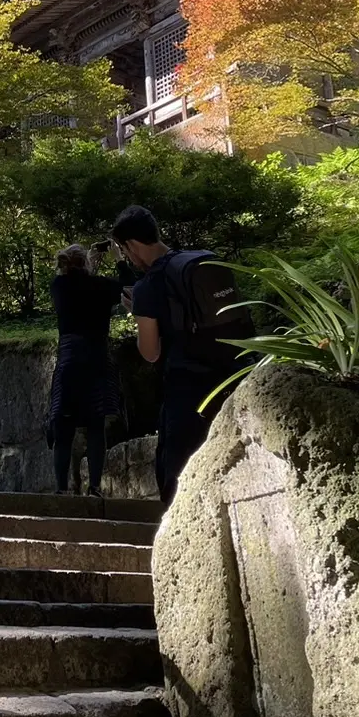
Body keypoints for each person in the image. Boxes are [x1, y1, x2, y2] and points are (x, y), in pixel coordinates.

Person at [112, 204, 241, 506]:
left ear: (130, 245)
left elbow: (151, 353)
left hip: (187, 392)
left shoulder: (148, 286)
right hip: (231, 378)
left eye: (126, 251)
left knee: (175, 474)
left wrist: (139, 314)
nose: (129, 258)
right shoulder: (196, 262)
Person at [47, 243, 124, 497]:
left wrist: (89, 264)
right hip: (97, 359)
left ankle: (60, 488)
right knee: (95, 425)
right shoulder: (102, 286)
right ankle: (94, 486)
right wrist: (119, 259)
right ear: (86, 263)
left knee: (63, 427)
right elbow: (130, 286)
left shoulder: (59, 286)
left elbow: (79, 284)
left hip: (69, 359)